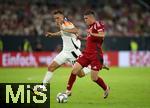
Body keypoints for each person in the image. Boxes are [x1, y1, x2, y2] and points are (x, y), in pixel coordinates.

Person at [36, 10, 91, 95]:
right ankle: (43, 88)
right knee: (51, 67)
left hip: (73, 53)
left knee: (80, 74)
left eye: (58, 18)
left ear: (62, 17)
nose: (56, 20)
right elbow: (63, 33)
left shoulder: (67, 23)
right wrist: (53, 34)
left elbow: (76, 30)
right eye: (55, 19)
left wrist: (63, 29)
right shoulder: (62, 25)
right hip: (65, 52)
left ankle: (92, 67)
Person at [66, 10, 110, 99]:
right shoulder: (90, 27)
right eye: (84, 18)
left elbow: (102, 35)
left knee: (94, 78)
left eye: (86, 18)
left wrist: (92, 33)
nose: (85, 20)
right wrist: (81, 38)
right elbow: (90, 39)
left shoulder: (98, 24)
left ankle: (106, 88)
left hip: (96, 55)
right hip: (86, 54)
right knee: (74, 70)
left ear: (91, 17)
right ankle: (68, 91)